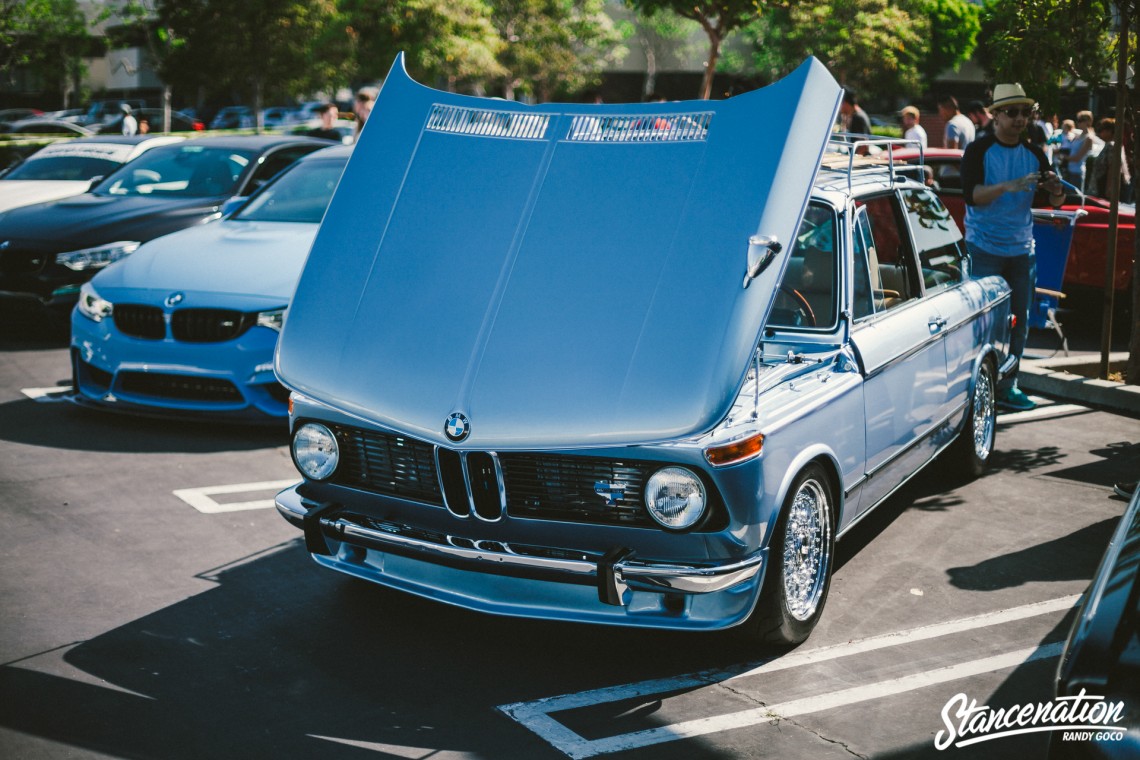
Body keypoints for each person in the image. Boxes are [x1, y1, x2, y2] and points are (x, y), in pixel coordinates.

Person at [961, 83, 1066, 412]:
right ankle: (976, 388)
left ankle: (1010, 385)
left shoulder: (1035, 153)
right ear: (995, 115)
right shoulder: (979, 150)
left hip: (1022, 250)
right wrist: (1008, 186)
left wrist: (1056, 189)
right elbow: (972, 196)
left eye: (1026, 112)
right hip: (984, 249)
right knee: (983, 325)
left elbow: (1057, 199)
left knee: (1018, 321)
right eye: (1012, 112)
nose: (1021, 119)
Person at [1086, 118, 1130, 198]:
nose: (1099, 133)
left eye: (1102, 130)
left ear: (1110, 131)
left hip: (1104, 189)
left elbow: (1113, 168)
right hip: (1102, 186)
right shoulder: (1114, 145)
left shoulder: (1112, 146)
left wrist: (1109, 189)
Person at [1063, 111, 1099, 191]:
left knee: (1074, 199)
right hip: (1069, 170)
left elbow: (1077, 158)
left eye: (1081, 120)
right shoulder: (1077, 135)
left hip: (1077, 173)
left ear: (1088, 121)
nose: (1078, 122)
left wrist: (1063, 157)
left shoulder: (1089, 138)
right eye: (1078, 120)